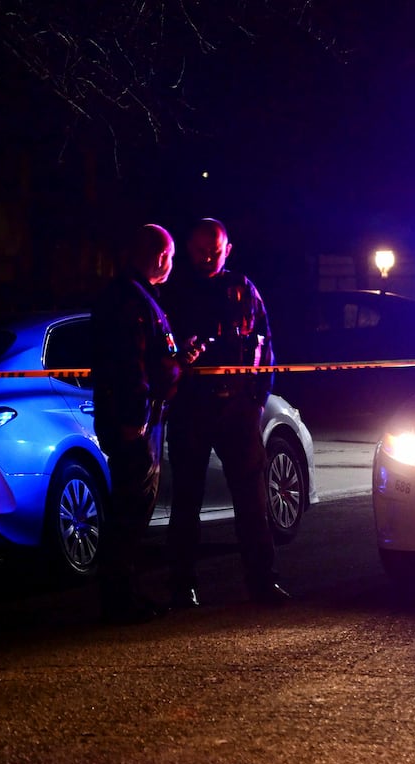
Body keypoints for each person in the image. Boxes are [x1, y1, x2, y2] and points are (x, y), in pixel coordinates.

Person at [160, 217, 288, 608]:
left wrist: (256, 401)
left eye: (215, 250)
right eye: (200, 250)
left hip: (237, 408)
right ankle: (182, 587)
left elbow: (265, 345)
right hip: (191, 408)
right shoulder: (174, 291)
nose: (208, 257)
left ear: (228, 250)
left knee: (251, 500)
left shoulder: (243, 289)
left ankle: (262, 582)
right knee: (186, 502)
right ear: (187, 249)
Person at [89, 223, 195, 624]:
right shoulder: (131, 300)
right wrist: (134, 419)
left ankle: (126, 594)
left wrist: (178, 361)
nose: (170, 264)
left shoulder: (138, 297)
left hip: (142, 417)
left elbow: (150, 361)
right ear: (155, 255)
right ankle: (118, 600)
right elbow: (129, 366)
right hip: (136, 421)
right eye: (167, 255)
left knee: (134, 511)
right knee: (130, 512)